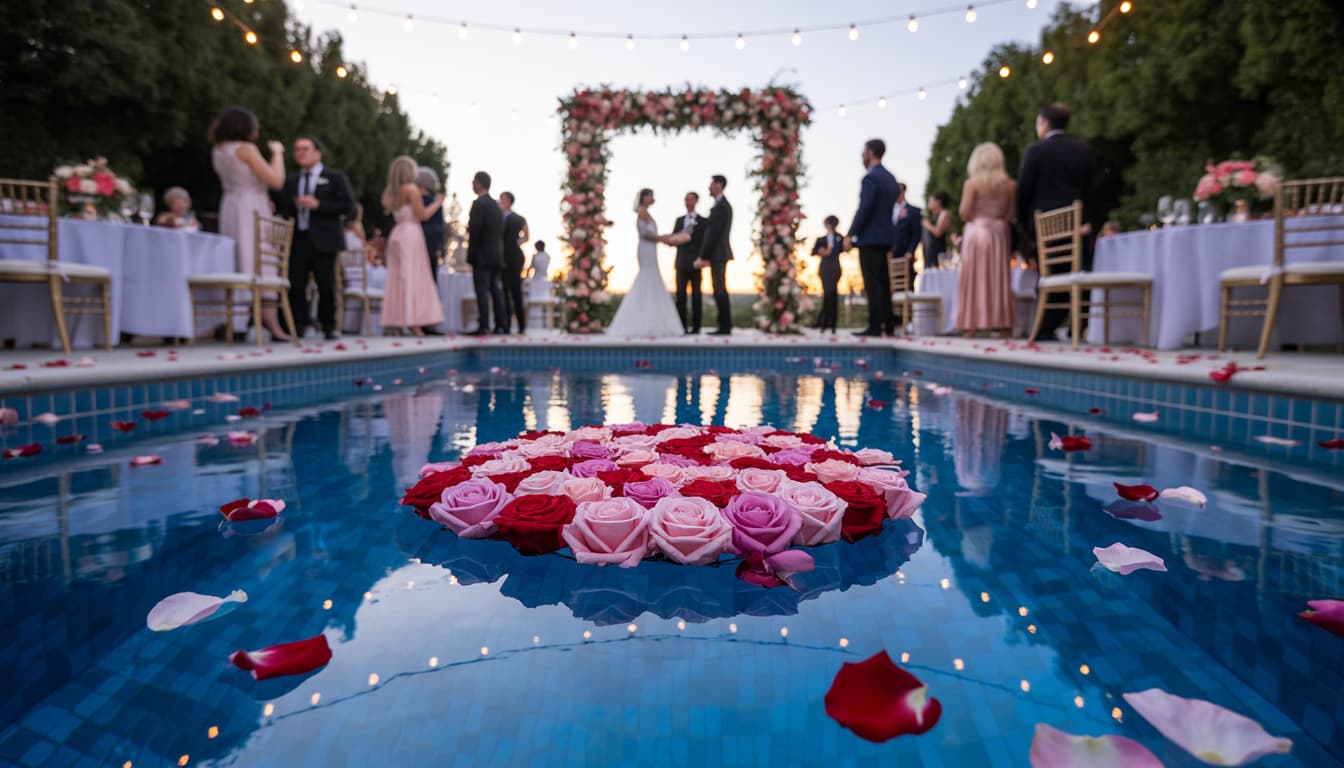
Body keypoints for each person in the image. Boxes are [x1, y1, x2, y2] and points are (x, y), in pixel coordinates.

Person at [1017, 102, 1096, 340]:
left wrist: (1026, 228)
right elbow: (1091, 190)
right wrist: (1090, 222)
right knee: (1078, 273)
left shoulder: (1036, 151)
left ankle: (1046, 327)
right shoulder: (1084, 150)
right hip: (1078, 226)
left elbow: (1023, 193)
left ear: (1043, 122)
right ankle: (1077, 326)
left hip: (1046, 230)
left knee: (1051, 276)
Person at [209, 106, 288, 340]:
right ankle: (271, 324)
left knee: (237, 261)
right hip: (252, 208)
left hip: (230, 205)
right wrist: (278, 153)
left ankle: (235, 321)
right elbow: (276, 181)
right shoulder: (246, 149)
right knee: (260, 263)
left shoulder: (218, 150)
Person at [274, 134, 358, 340]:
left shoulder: (335, 178)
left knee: (326, 284)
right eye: (298, 149)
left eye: (305, 148)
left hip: (325, 239)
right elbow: (284, 209)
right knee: (296, 282)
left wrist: (319, 205)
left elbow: (350, 207)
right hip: (299, 238)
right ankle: (297, 325)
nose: (301, 153)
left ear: (317, 153)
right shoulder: (292, 182)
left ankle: (328, 325)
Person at [606, 189, 687, 337]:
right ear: (644, 197)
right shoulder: (642, 212)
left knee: (652, 278)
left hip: (651, 249)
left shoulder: (646, 213)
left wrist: (666, 238)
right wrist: (665, 238)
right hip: (646, 249)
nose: (653, 198)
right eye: (650, 195)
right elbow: (646, 234)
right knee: (646, 276)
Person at [956, 142, 1017, 337]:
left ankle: (971, 325)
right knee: (999, 278)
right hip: (999, 234)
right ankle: (1004, 325)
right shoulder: (1010, 185)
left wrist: (980, 219)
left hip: (976, 234)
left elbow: (964, 212)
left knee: (974, 278)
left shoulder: (972, 184)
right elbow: (1011, 213)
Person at [379, 156, 445, 335]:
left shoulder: (391, 192)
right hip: (410, 235)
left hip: (397, 234)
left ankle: (397, 323)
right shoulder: (411, 189)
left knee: (397, 278)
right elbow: (422, 215)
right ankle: (413, 323)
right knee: (413, 278)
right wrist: (438, 202)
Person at [844, 139, 901, 337]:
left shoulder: (870, 178)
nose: (862, 155)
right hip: (887, 237)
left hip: (870, 237)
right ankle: (889, 324)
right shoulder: (891, 179)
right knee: (884, 282)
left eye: (864, 151)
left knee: (873, 282)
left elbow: (865, 208)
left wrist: (851, 234)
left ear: (870, 152)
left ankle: (875, 325)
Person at [466, 171, 507, 335]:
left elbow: (475, 231)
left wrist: (472, 255)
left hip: (482, 256)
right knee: (496, 291)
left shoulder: (479, 204)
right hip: (496, 255)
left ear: (479, 183)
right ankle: (500, 324)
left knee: (482, 290)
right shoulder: (496, 206)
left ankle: (484, 324)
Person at [694, 175, 734, 335]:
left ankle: (725, 326)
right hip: (718, 254)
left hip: (718, 254)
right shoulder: (719, 206)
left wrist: (703, 256)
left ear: (719, 185)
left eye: (711, 184)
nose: (709, 187)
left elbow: (713, 234)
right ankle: (723, 325)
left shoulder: (722, 207)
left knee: (719, 289)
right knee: (718, 288)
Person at [672, 191, 708, 334]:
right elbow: (674, 238)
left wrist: (702, 258)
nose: (688, 202)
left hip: (696, 263)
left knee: (696, 295)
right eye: (686, 199)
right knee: (680, 296)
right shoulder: (679, 221)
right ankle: (681, 326)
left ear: (696, 201)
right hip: (681, 262)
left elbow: (705, 242)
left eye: (691, 199)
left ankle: (696, 326)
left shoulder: (703, 221)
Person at [499, 191, 529, 334]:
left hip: (514, 257)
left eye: (504, 199)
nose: (501, 201)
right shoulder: (498, 217)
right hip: (501, 257)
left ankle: (521, 325)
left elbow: (527, 235)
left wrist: (517, 242)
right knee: (503, 292)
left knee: (516, 291)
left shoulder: (517, 218)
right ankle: (506, 325)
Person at [811, 215, 844, 334]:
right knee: (827, 294)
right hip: (825, 268)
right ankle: (824, 321)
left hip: (835, 268)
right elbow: (813, 251)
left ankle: (831, 321)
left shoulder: (839, 238)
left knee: (832, 294)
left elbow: (842, 249)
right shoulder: (821, 239)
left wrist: (831, 250)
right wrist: (821, 251)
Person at [891, 182, 922, 290]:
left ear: (903, 192)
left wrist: (910, 251)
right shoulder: (888, 211)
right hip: (890, 255)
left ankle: (907, 306)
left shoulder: (913, 211)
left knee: (907, 285)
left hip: (905, 254)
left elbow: (916, 234)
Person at [416, 167, 444, 284]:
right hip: (431, 246)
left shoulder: (417, 201)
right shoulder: (436, 203)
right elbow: (439, 227)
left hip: (417, 243)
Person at [526, 240, 553, 328]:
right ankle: (545, 321)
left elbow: (530, 268)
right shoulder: (547, 256)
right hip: (544, 280)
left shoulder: (536, 256)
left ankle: (535, 321)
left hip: (536, 280)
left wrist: (527, 277)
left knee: (534, 298)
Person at [921, 191, 952, 269]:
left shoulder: (944, 214)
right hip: (930, 253)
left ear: (938, 202)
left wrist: (927, 225)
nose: (929, 203)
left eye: (930, 200)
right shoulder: (934, 216)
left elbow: (938, 232)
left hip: (939, 254)